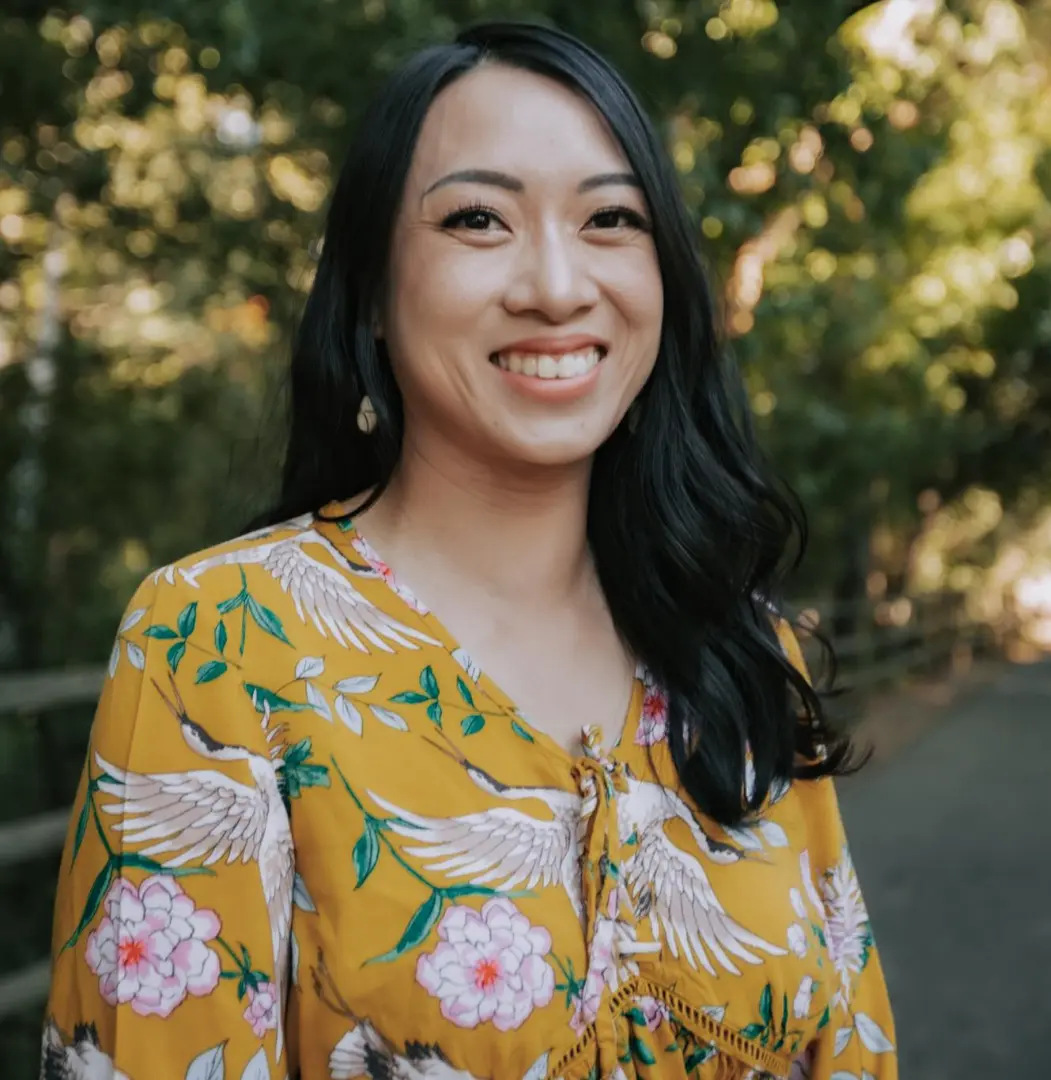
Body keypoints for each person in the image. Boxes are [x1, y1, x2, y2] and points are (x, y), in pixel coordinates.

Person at [41, 22, 897, 1080]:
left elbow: (852, 1044)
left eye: (611, 219)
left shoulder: (744, 653)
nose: (556, 284)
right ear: (369, 290)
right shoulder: (216, 648)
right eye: (479, 218)